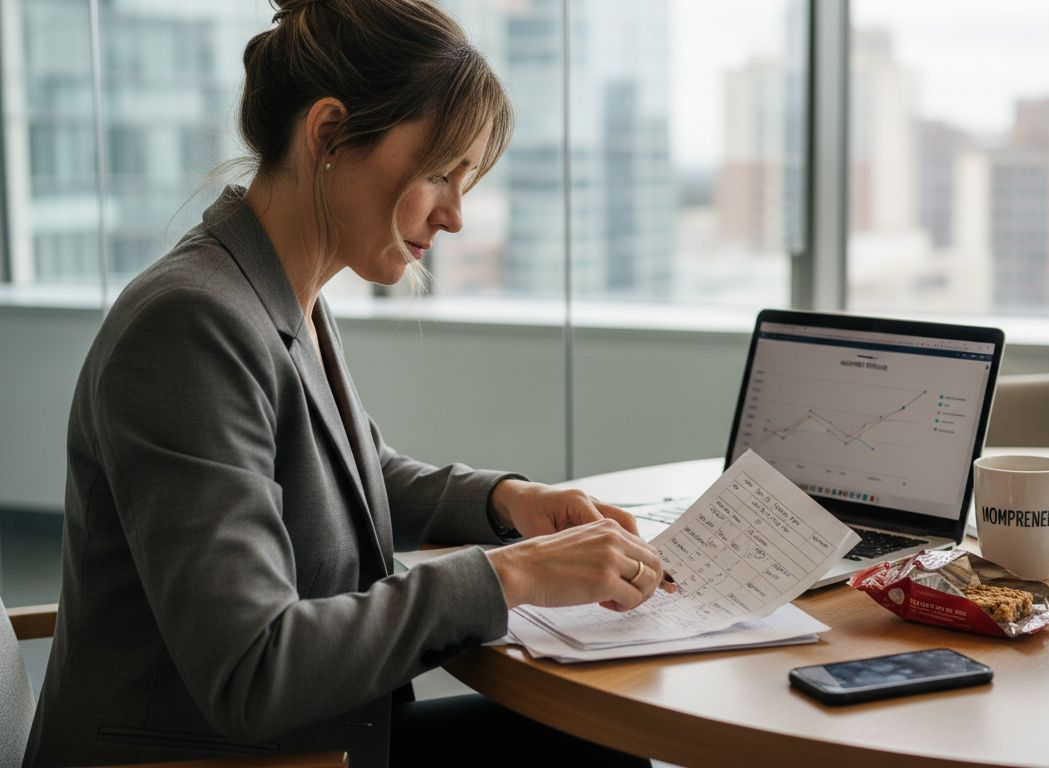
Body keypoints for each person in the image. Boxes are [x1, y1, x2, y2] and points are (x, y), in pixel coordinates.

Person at [22, 1, 672, 765]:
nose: (457, 217)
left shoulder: (278, 291)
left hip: (319, 740)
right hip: (215, 754)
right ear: (328, 134)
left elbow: (350, 476)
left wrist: (506, 504)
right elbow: (253, 669)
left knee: (597, 737)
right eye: (439, 173)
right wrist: (514, 574)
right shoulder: (190, 325)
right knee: (600, 747)